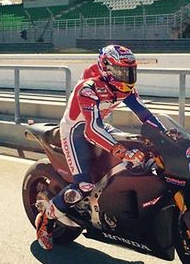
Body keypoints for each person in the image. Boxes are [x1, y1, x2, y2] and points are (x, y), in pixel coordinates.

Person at [35, 44, 165, 250]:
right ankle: (47, 219)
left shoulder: (126, 88)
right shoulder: (88, 88)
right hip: (76, 131)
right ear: (106, 68)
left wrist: (164, 132)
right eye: (122, 71)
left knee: (140, 150)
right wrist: (121, 151)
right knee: (84, 185)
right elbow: (91, 130)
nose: (127, 77)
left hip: (99, 126)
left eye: (131, 71)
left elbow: (145, 114)